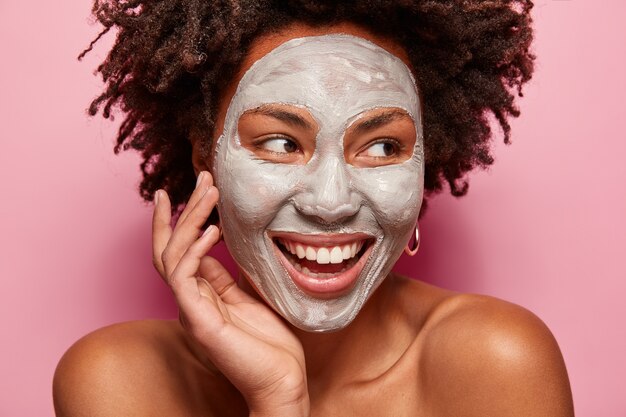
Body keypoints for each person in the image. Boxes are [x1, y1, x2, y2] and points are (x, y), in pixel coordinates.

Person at [53, 1, 574, 416]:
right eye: (280, 144)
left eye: (382, 147)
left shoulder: (499, 362)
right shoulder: (115, 380)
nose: (330, 204)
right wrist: (278, 402)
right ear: (204, 157)